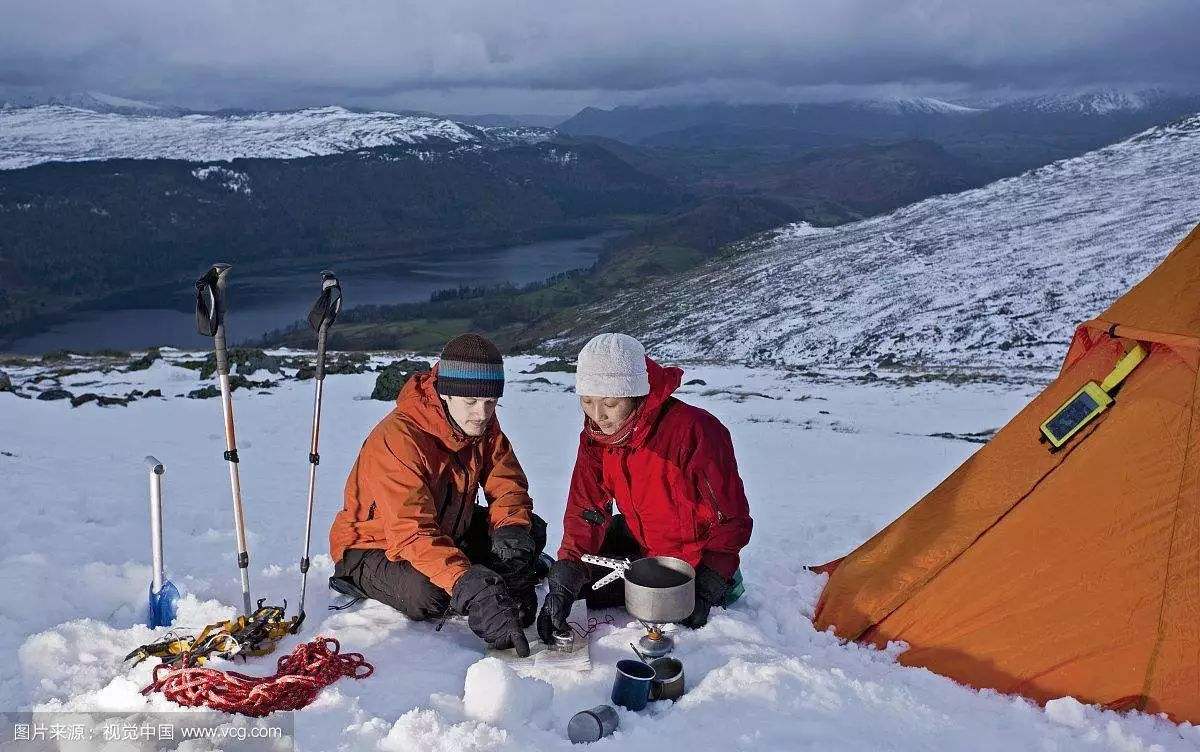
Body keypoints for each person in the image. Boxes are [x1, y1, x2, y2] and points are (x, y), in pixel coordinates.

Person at [328, 333, 543, 656]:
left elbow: (507, 485)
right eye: (470, 402)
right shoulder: (399, 439)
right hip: (374, 546)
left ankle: (491, 573)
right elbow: (411, 533)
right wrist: (468, 585)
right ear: (445, 393)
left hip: (446, 527)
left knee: (526, 533)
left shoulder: (482, 426)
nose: (482, 414)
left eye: (490, 403)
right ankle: (360, 580)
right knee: (431, 592)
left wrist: (512, 549)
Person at [537, 333, 753, 645]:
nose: (597, 417)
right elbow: (587, 512)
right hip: (643, 549)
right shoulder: (595, 438)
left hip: (696, 565)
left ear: (636, 394)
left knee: (678, 618)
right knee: (577, 590)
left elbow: (730, 520)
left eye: (610, 403)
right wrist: (566, 575)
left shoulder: (696, 431)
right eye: (587, 401)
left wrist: (710, 581)